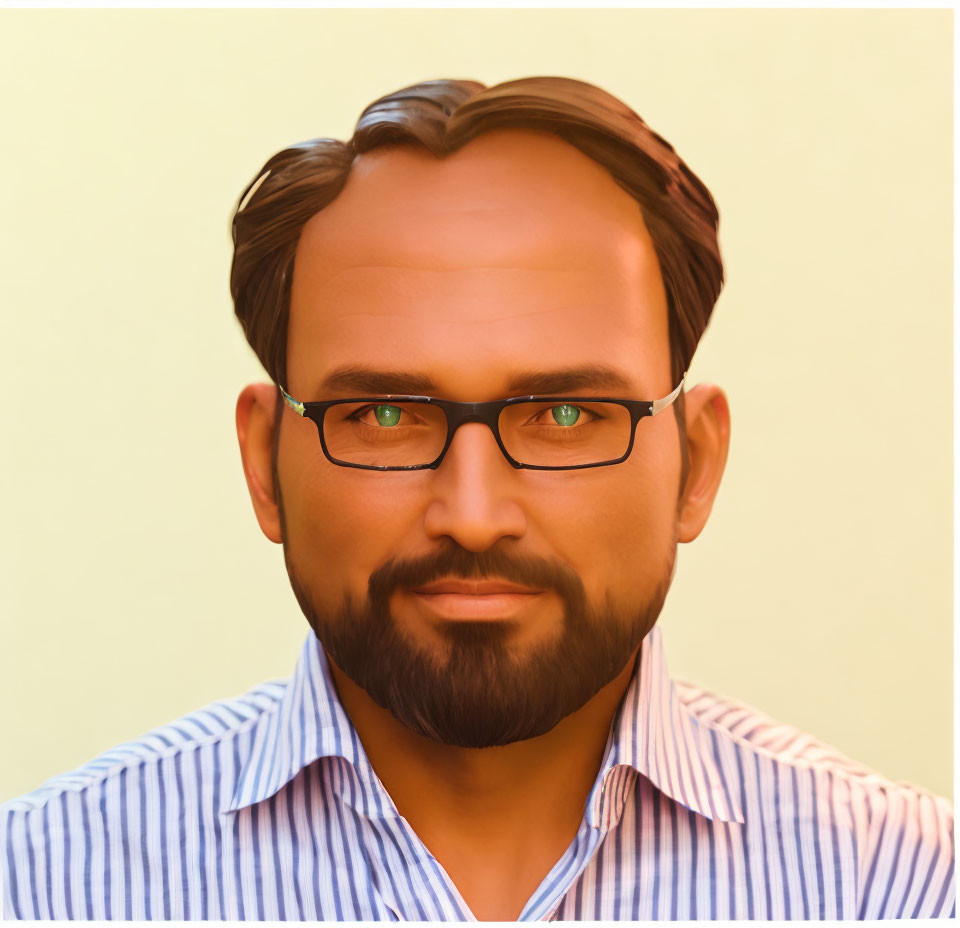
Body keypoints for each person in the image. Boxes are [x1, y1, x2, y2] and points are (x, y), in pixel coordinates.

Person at [1, 76, 954, 922]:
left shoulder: (899, 885)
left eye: (569, 415)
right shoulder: (43, 885)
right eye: (381, 415)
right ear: (264, 464)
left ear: (694, 465)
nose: (472, 512)